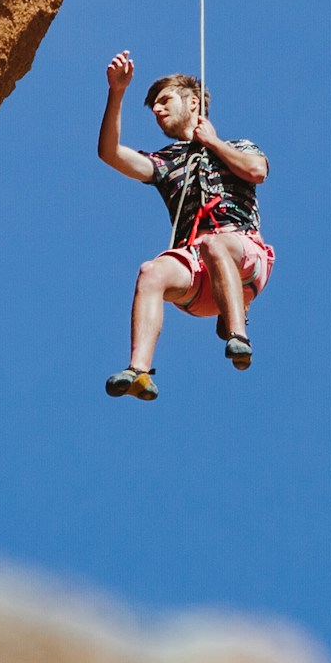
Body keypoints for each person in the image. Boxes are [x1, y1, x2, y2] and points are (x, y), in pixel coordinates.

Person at [98, 50, 273, 401]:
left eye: (165, 101)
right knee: (151, 271)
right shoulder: (166, 162)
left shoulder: (238, 146)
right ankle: (139, 371)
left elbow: (256, 172)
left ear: (193, 102)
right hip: (195, 271)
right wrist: (116, 93)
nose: (158, 111)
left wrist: (213, 143)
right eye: (154, 108)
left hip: (243, 256)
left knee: (216, 244)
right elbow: (110, 153)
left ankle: (237, 333)